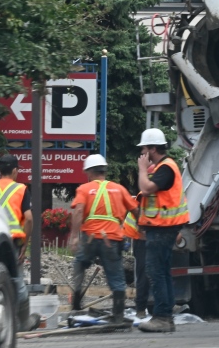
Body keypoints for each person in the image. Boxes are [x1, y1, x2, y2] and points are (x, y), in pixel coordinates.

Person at [68, 154, 138, 323]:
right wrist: (143, 227)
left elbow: (78, 211)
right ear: (104, 171)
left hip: (90, 238)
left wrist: (74, 237)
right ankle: (119, 315)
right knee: (116, 276)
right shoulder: (119, 189)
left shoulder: (84, 189)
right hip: (112, 239)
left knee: (80, 264)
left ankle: (77, 299)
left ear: (89, 173)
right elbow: (136, 211)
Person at [136, 128, 189, 333]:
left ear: (153, 148)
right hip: (162, 228)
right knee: (162, 272)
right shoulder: (164, 167)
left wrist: (142, 169)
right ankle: (165, 315)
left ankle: (162, 317)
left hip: (161, 229)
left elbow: (147, 188)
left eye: (144, 149)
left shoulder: (166, 168)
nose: (142, 154)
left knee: (155, 272)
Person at [0, 153, 38, 331]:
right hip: (12, 243)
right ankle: (23, 322)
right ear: (15, 170)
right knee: (17, 280)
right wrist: (25, 244)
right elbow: (28, 219)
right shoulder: (21, 189)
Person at [123, 211, 151, 319]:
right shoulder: (145, 198)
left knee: (147, 274)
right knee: (144, 274)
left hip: (143, 237)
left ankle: (143, 309)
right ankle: (141, 309)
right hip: (141, 238)